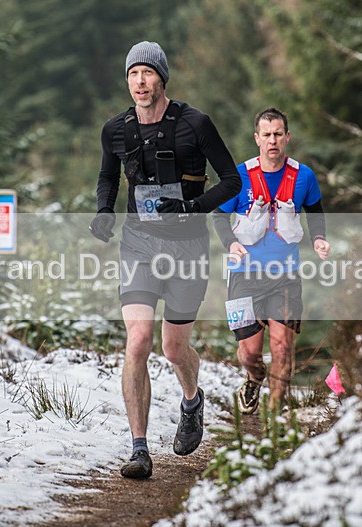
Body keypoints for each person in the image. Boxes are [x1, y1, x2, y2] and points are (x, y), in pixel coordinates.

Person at [89, 41, 240, 479]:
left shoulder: (196, 124)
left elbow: (231, 180)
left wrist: (193, 208)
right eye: (133, 74)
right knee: (138, 341)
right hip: (138, 243)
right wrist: (103, 211)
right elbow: (107, 175)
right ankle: (138, 447)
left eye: (147, 73)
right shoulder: (115, 129)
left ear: (162, 78)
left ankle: (191, 400)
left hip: (188, 247)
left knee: (174, 348)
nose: (140, 81)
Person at [212, 107, 330, 414]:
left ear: (287, 137)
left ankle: (275, 416)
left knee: (282, 346)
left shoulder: (304, 176)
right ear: (257, 139)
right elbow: (219, 216)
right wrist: (231, 243)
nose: (272, 140)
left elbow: (315, 212)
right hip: (243, 274)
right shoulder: (239, 176)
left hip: (285, 275)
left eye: (278, 134)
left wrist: (318, 238)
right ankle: (254, 377)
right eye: (266, 135)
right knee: (248, 352)